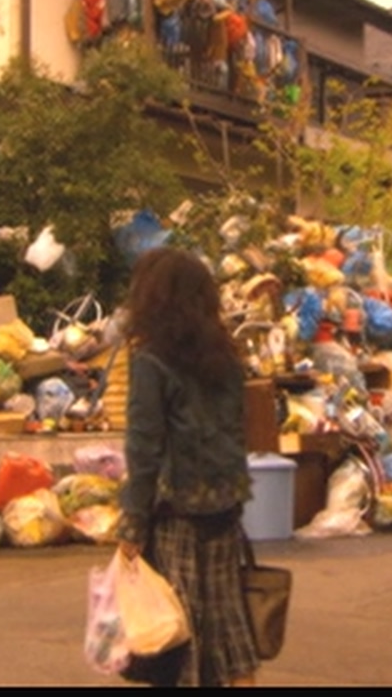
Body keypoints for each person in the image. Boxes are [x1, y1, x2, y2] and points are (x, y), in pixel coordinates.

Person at [115, 246, 259, 687]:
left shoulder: (151, 361)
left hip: (176, 510)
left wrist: (133, 525)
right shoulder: (227, 359)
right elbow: (236, 431)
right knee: (229, 625)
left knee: (182, 629)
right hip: (224, 505)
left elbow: (144, 449)